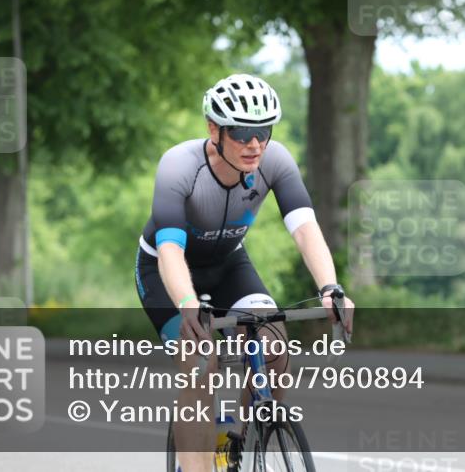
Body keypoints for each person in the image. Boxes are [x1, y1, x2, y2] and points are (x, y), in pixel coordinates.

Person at [134, 73, 353, 472]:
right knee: (201, 362)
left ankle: (240, 440)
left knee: (275, 345)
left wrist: (330, 286)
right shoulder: (179, 166)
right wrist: (186, 304)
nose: (255, 144)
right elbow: (169, 249)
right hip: (164, 271)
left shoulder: (276, 161)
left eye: (263, 131)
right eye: (242, 132)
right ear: (214, 129)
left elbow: (304, 228)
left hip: (228, 264)